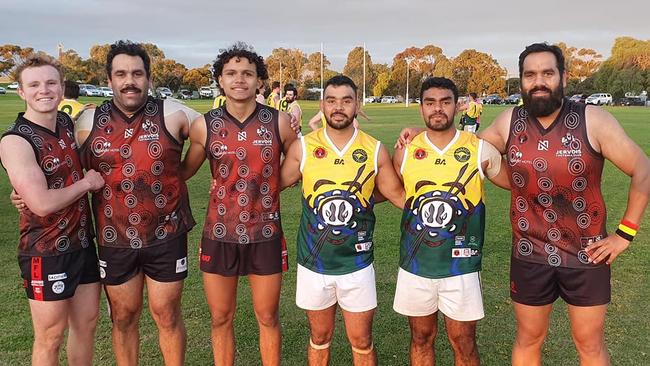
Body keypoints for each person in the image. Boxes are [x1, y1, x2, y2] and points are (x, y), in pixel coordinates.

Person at [475, 42, 650, 366]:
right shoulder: (508, 121)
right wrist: (421, 134)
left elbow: (643, 169)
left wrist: (624, 234)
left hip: (587, 253)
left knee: (589, 345)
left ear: (563, 77)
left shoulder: (592, 120)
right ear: (522, 80)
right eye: (530, 74)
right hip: (530, 252)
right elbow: (473, 153)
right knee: (528, 340)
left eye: (547, 73)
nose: (538, 81)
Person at [77, 40, 198, 366]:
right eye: (121, 74)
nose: (129, 81)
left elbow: (212, 134)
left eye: (137, 73)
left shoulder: (173, 113)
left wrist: (184, 171)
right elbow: (60, 165)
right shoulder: (86, 123)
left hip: (167, 234)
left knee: (167, 314)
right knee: (124, 317)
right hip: (114, 237)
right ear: (109, 80)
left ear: (148, 77)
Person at [180, 42, 298, 366]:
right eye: (231, 73)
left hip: (265, 232)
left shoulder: (280, 122)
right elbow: (182, 173)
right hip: (219, 234)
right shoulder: (204, 125)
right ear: (220, 80)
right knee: (220, 318)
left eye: (248, 73)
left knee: (268, 316)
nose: (239, 79)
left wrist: (278, 184)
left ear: (260, 81)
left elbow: (299, 157)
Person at [280, 75, 405, 366]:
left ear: (356, 105)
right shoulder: (304, 147)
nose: (339, 107)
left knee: (361, 341)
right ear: (322, 105)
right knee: (320, 337)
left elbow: (398, 195)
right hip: (314, 262)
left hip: (357, 264)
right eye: (332, 100)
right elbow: (273, 185)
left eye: (346, 100)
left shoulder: (373, 149)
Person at [392, 77, 509, 365]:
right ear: (421, 108)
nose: (438, 109)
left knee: (464, 342)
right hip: (416, 262)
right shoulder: (406, 150)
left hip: (461, 265)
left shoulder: (479, 149)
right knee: (420, 338)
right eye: (430, 103)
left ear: (457, 106)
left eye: (445, 102)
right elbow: (396, 193)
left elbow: (517, 183)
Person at [0, 54, 104, 366]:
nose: (43, 90)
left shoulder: (65, 124)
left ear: (61, 88)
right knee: (50, 336)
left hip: (83, 245)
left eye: (50, 83)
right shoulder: (15, 141)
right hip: (44, 251)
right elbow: (42, 204)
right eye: (34, 84)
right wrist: (86, 184)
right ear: (21, 91)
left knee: (85, 326)